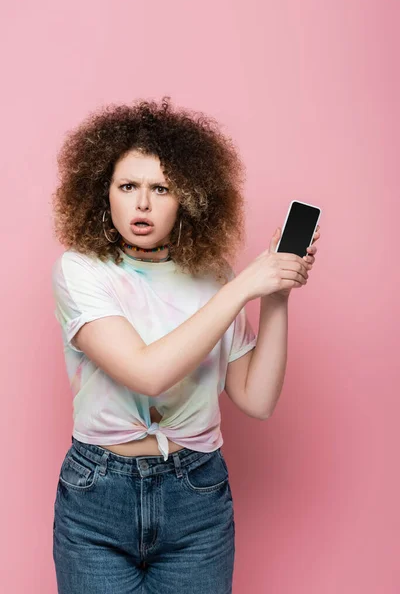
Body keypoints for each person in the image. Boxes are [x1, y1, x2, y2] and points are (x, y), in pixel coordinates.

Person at [51, 96, 317, 593]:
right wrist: (243, 288)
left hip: (197, 494)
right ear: (102, 193)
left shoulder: (213, 277)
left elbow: (256, 400)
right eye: (128, 186)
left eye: (161, 188)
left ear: (189, 198)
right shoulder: (79, 270)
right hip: (97, 498)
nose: (143, 203)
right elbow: (147, 372)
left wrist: (275, 294)